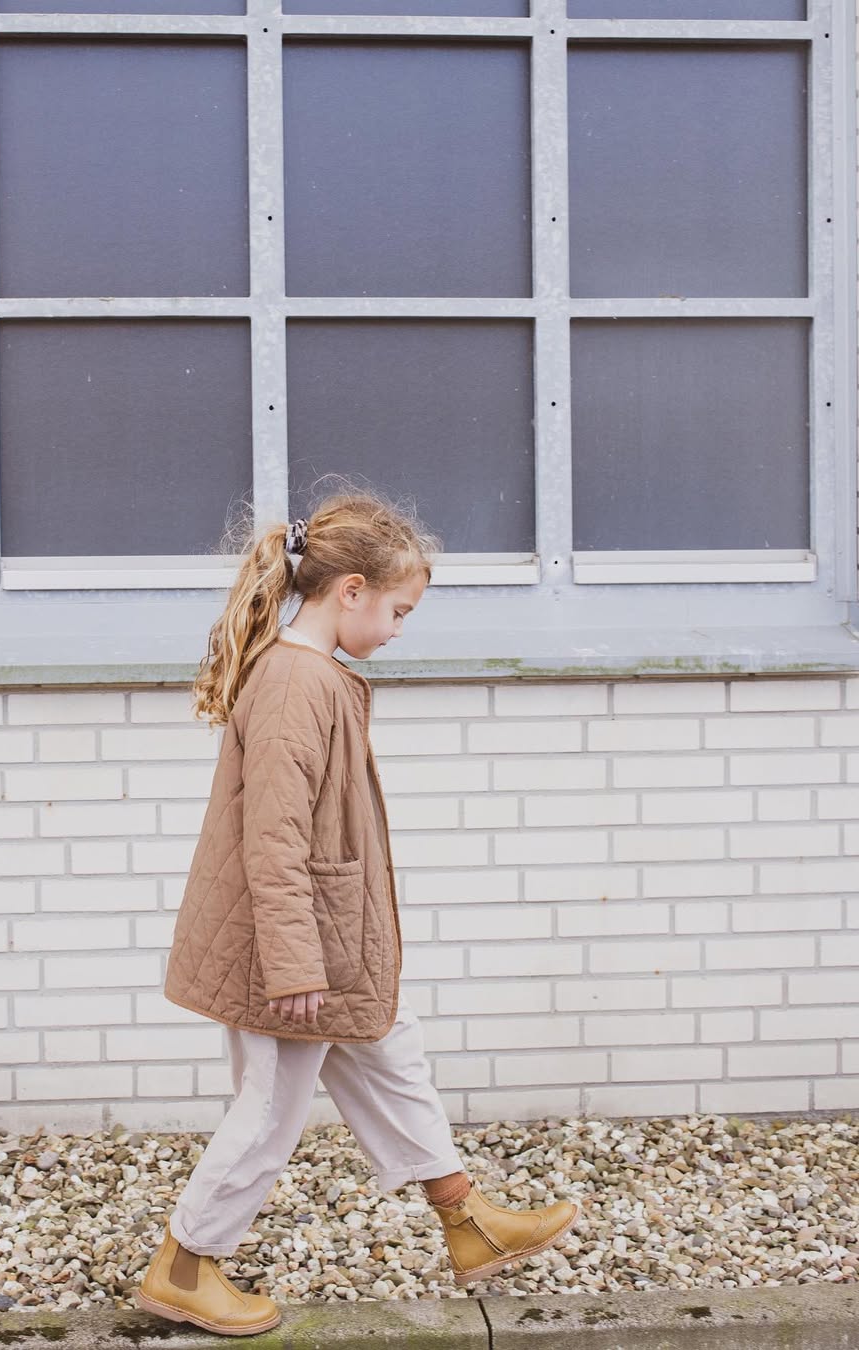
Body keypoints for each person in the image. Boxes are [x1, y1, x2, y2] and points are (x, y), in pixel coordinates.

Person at [136, 485, 581, 1337]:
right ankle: (184, 1264)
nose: (400, 629)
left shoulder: (314, 674)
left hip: (330, 937)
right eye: (399, 610)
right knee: (269, 1110)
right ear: (350, 592)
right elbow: (272, 836)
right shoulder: (295, 682)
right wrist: (296, 963)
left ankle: (467, 1220)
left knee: (391, 1051)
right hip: (289, 949)